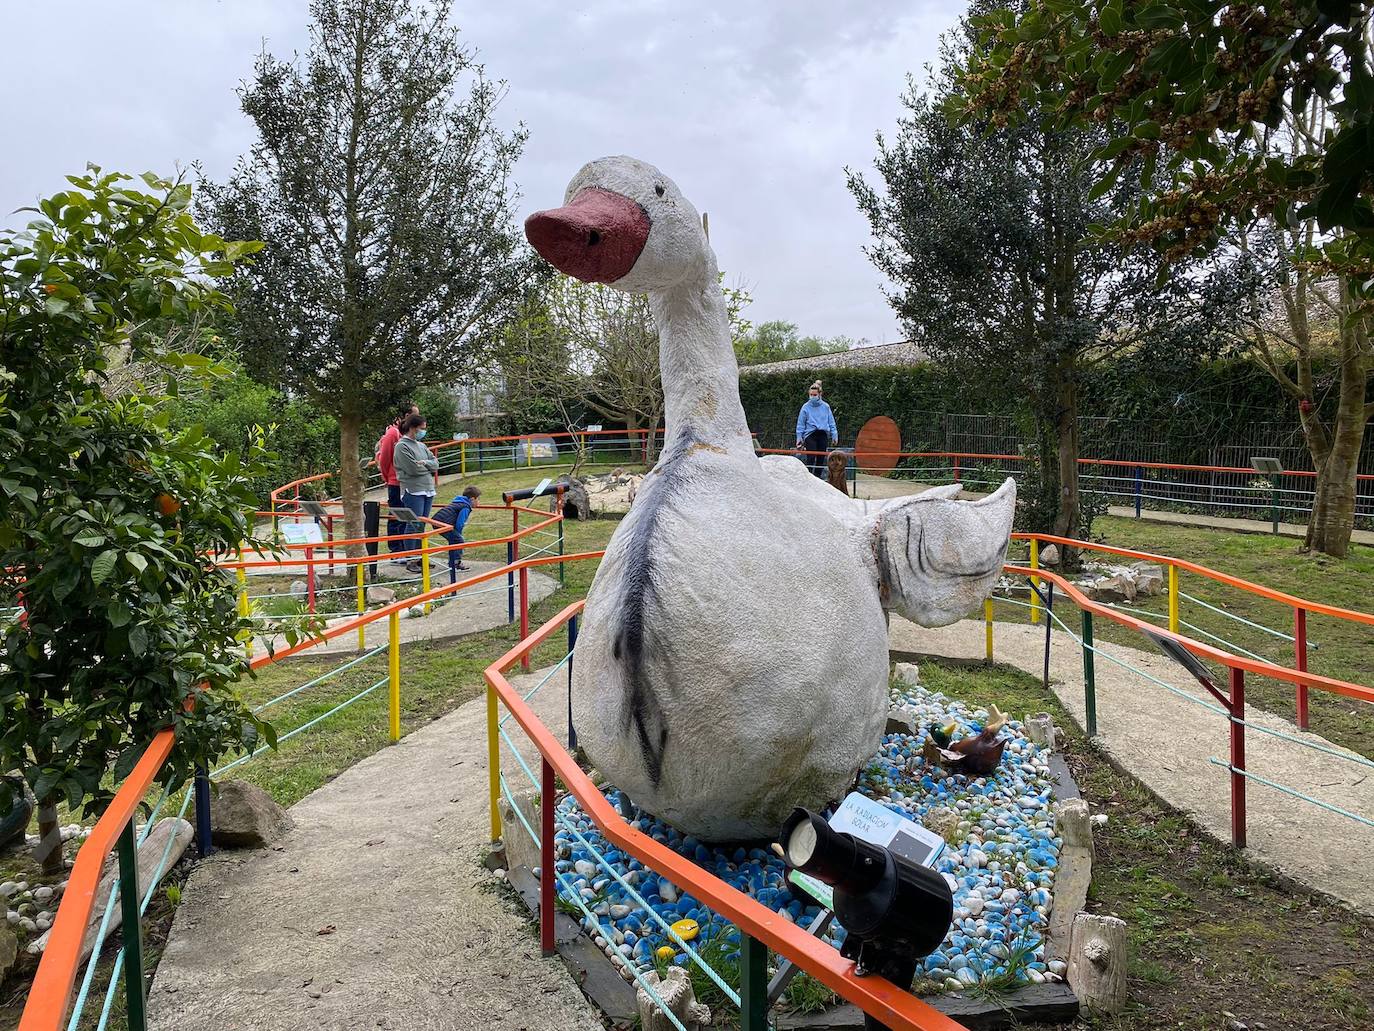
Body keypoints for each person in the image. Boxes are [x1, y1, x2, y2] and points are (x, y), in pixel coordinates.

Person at [392, 413, 439, 573]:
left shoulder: (422, 446)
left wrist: (425, 463)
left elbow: (435, 464)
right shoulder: (401, 446)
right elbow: (412, 468)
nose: (423, 431)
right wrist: (427, 467)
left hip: (427, 489)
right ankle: (410, 559)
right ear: (413, 428)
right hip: (413, 490)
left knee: (421, 525)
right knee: (413, 523)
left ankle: (420, 557)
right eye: (421, 429)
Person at [376, 402, 418, 553]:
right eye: (415, 415)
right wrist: (388, 478)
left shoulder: (409, 433)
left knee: (407, 516)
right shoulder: (393, 433)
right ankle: (396, 550)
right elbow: (385, 458)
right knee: (396, 515)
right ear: (407, 416)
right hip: (396, 482)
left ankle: (407, 550)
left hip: (408, 482)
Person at [434, 485, 481, 584]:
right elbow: (460, 523)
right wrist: (459, 534)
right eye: (478, 499)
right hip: (443, 524)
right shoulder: (465, 507)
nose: (479, 502)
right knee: (459, 541)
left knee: (454, 540)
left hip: (438, 522)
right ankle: (455, 564)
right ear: (472, 499)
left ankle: (452, 562)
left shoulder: (458, 502)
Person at [795, 380, 838, 478]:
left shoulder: (826, 407)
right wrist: (799, 438)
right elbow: (800, 424)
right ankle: (809, 477)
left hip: (822, 433)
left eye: (814, 395)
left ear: (820, 394)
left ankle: (817, 478)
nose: (812, 397)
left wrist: (834, 435)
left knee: (821, 458)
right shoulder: (805, 407)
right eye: (811, 395)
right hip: (810, 434)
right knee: (811, 456)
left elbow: (831, 422)